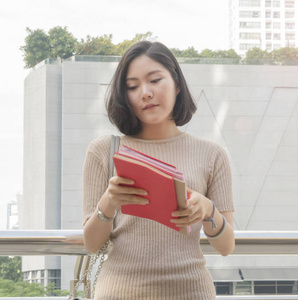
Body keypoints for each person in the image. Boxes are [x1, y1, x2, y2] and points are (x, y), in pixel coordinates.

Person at [82, 41, 235, 300]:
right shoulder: (103, 150)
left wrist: (208, 209)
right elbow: (91, 243)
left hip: (192, 291)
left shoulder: (212, 154)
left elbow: (226, 246)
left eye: (155, 80)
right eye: (132, 86)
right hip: (119, 293)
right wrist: (109, 202)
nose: (145, 93)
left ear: (176, 84)